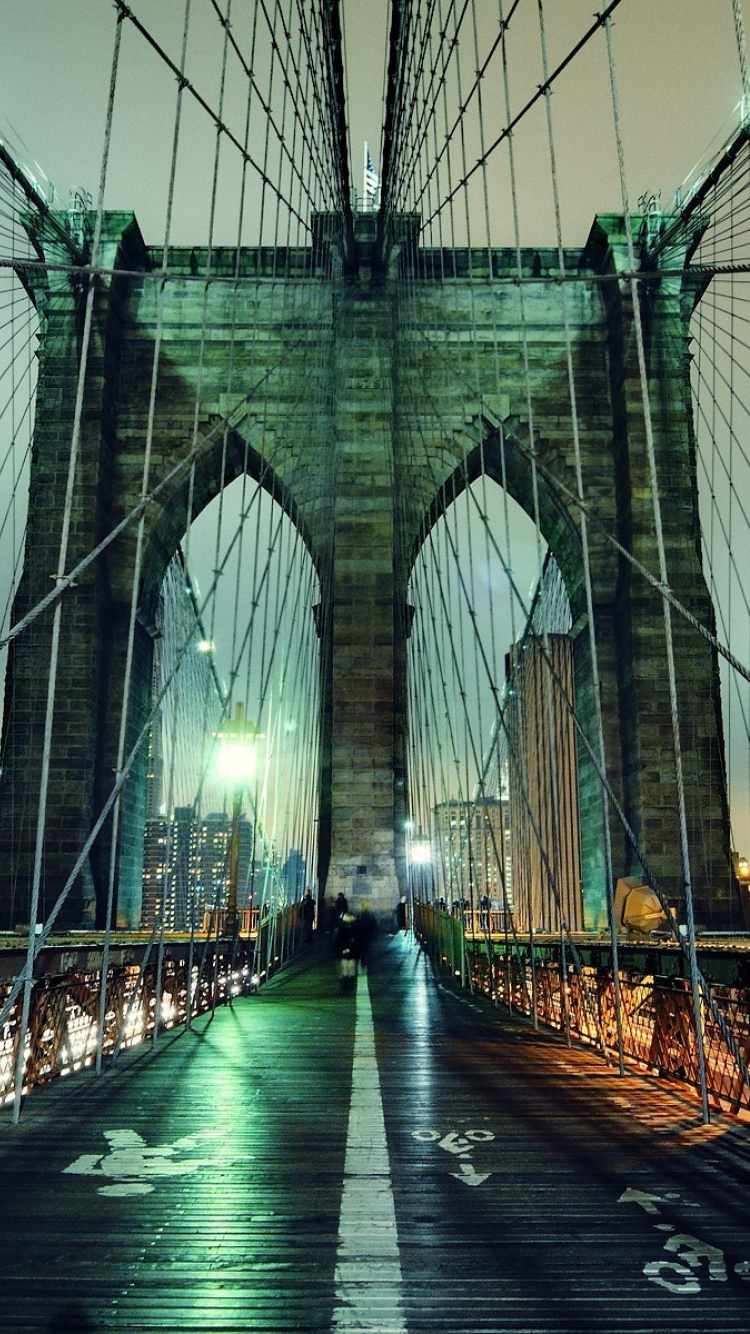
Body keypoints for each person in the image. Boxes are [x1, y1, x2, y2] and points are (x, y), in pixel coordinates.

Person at [335, 911, 359, 993]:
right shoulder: (354, 928)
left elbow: (338, 940)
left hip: (346, 951)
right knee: (350, 968)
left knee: (346, 968)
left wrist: (340, 949)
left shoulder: (342, 928)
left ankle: (346, 985)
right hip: (351, 951)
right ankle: (349, 984)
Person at [354, 902, 378, 971]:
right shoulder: (371, 916)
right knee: (369, 950)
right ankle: (369, 964)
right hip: (368, 936)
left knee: (363, 951)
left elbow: (357, 925)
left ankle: (363, 963)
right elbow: (374, 926)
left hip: (362, 936)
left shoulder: (360, 915)